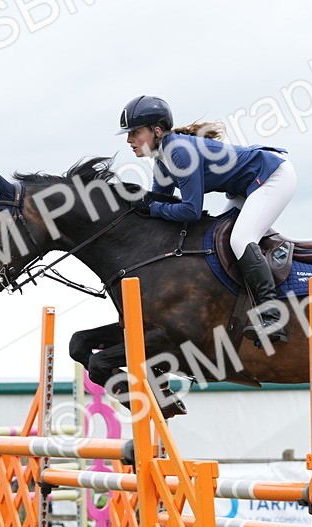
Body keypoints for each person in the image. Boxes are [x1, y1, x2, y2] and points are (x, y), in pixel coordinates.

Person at [117, 95, 296, 344]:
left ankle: (272, 316)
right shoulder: (162, 160)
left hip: (273, 176)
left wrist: (151, 207)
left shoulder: (179, 152)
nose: (129, 140)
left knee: (241, 239)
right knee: (216, 241)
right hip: (244, 189)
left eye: (135, 132)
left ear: (156, 130)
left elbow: (190, 211)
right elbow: (160, 203)